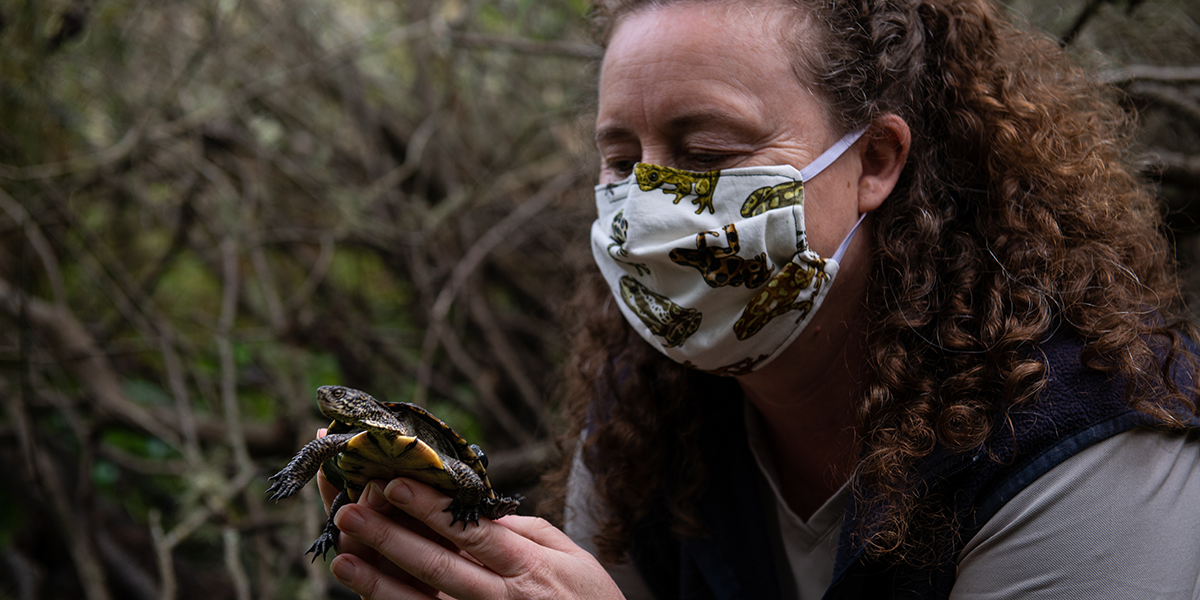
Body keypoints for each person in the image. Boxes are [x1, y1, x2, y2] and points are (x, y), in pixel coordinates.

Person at [316, 0, 1200, 598]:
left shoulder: (1085, 440)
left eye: (706, 153)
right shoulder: (650, 403)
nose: (652, 208)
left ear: (875, 162)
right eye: (623, 161)